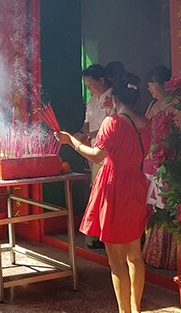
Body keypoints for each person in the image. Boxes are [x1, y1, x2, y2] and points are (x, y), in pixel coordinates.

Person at [56, 72, 151, 313]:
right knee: (135, 256)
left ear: (116, 98)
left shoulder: (113, 122)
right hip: (137, 185)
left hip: (114, 186)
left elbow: (97, 155)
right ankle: (136, 308)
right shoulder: (144, 124)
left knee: (116, 259)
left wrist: (72, 142)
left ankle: (124, 311)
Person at [75, 64, 115, 249]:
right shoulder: (92, 101)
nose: (89, 88)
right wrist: (78, 135)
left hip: (109, 153)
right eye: (87, 86)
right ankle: (99, 233)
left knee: (108, 191)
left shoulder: (115, 99)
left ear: (102, 80)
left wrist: (89, 135)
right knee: (97, 190)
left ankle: (110, 234)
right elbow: (87, 124)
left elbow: (115, 127)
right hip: (94, 152)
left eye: (92, 84)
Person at [142, 66, 178, 270]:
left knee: (165, 204)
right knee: (152, 206)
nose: (149, 90)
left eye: (152, 85)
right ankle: (151, 250)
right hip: (150, 159)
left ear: (164, 84)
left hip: (166, 160)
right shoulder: (153, 104)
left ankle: (167, 255)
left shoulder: (174, 105)